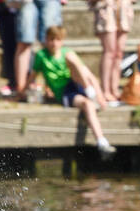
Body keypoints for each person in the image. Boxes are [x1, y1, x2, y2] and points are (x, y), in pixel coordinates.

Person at [27, 23, 117, 155]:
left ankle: (91, 93)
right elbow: (32, 77)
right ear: (46, 40)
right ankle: (102, 142)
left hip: (79, 83)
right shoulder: (42, 55)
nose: (54, 43)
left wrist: (100, 95)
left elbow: (89, 75)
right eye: (51, 39)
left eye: (57, 39)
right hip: (65, 91)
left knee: (74, 60)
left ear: (62, 41)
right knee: (87, 105)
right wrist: (22, 91)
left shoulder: (66, 52)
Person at [87, 0, 137, 103]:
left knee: (119, 52)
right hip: (106, 11)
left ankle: (115, 88)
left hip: (122, 10)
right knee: (109, 51)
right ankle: (105, 88)